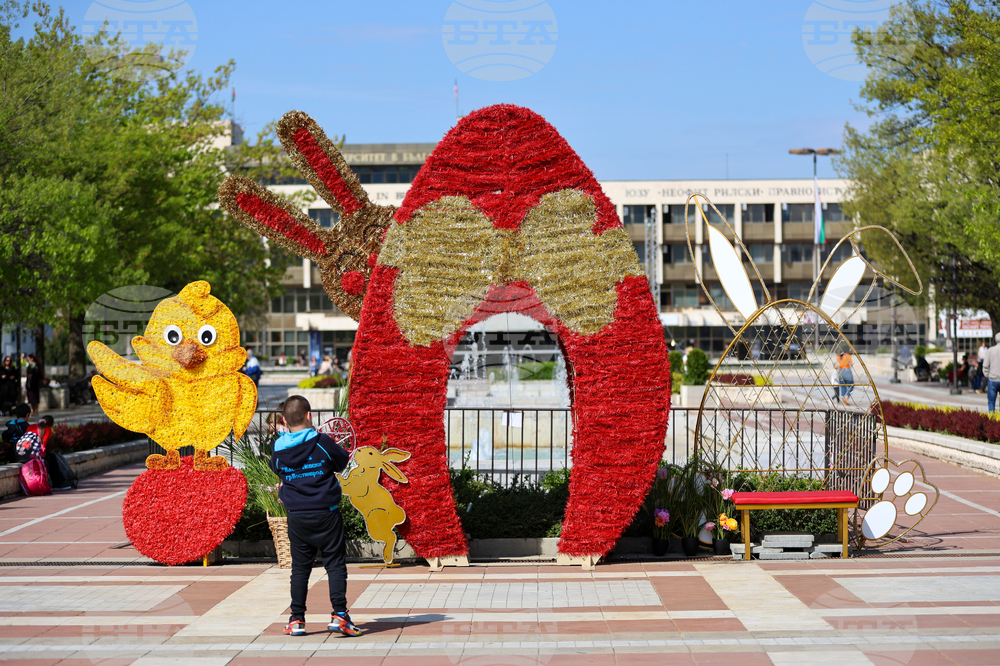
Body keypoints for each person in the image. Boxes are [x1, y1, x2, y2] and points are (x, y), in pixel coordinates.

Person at [269, 395, 361, 638]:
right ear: (309, 415)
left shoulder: (278, 449)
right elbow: (342, 462)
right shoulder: (322, 442)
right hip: (326, 515)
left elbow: (276, 468)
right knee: (335, 565)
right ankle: (339, 615)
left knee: (300, 568)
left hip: (297, 517)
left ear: (284, 420)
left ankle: (296, 620)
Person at [983, 332, 1000, 413]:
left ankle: (992, 420)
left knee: (991, 402)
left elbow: (985, 366)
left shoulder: (990, 350)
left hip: (993, 379)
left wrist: (988, 376)